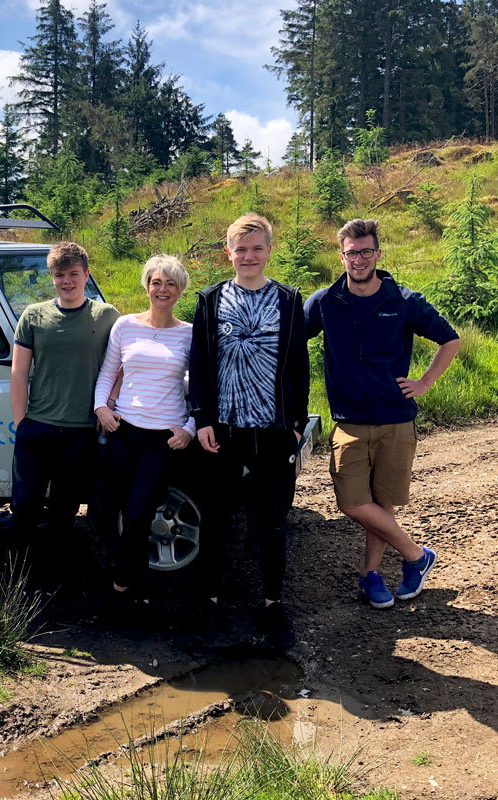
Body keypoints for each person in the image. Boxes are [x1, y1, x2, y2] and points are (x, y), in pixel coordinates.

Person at [304, 218, 460, 609]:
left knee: (382, 503)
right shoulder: (325, 302)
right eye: (351, 253)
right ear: (341, 256)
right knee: (352, 502)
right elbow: (289, 342)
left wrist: (423, 384)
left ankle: (371, 575)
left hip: (395, 421)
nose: (358, 259)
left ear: (377, 253)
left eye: (366, 251)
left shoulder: (403, 301)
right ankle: (415, 555)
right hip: (350, 423)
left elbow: (450, 340)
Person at [189, 213, 309, 649]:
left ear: (269, 251)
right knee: (216, 520)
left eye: (257, 248)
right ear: (229, 253)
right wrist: (201, 419)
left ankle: (272, 606)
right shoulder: (210, 299)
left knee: (272, 523)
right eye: (241, 249)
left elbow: (298, 365)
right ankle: (211, 604)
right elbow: (199, 364)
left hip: (273, 433)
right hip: (223, 432)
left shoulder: (287, 299)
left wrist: (296, 424)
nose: (249, 256)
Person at [9, 242, 119, 591]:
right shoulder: (34, 315)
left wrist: (109, 402)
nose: (67, 281)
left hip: (81, 431)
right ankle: (18, 583)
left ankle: (55, 584)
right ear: (51, 277)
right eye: (60, 275)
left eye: (74, 274)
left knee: (64, 512)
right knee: (24, 509)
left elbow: (119, 366)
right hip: (37, 429)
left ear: (86, 275)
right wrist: (20, 423)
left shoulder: (106, 316)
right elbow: (18, 373)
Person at [94, 255, 195, 611]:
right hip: (123, 429)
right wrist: (101, 408)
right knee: (112, 510)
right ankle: (132, 586)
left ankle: (126, 586)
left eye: (170, 283)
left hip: (162, 438)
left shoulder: (189, 334)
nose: (162, 289)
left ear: (180, 290)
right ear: (146, 286)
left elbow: (198, 388)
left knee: (139, 513)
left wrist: (189, 428)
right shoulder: (124, 326)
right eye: (156, 282)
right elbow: (109, 371)